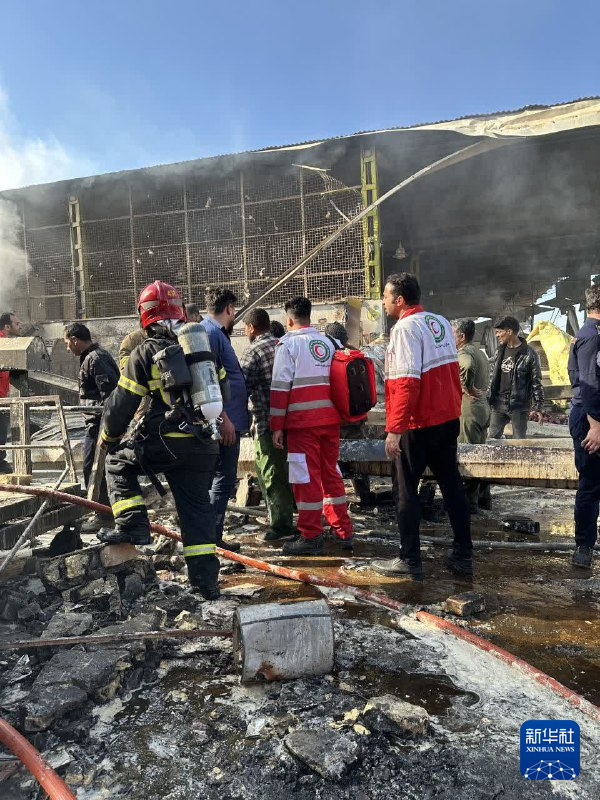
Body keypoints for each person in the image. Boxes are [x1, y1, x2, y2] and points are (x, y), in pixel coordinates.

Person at [98, 280, 221, 599]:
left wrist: (109, 436)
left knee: (117, 463)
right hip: (204, 443)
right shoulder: (200, 346)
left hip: (168, 441)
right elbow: (225, 389)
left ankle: (132, 525)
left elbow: (121, 404)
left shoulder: (144, 351)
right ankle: (206, 584)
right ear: (180, 312)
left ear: (144, 315)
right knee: (196, 512)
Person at [372, 272, 472, 578]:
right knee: (452, 485)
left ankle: (409, 559)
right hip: (446, 419)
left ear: (400, 300)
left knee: (405, 489)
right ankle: (463, 554)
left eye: (386, 296)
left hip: (418, 424)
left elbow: (406, 382)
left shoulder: (405, 329)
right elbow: (450, 372)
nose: (383, 302)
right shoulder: (439, 322)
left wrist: (395, 429)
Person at [270, 296, 353, 555]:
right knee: (331, 473)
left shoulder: (288, 345)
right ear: (310, 316)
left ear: (289, 320)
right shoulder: (330, 342)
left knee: (304, 478)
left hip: (302, 423)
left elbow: (280, 387)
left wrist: (276, 425)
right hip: (331, 421)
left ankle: (310, 535)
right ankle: (343, 531)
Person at [240, 308, 296, 541]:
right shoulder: (285, 345)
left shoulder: (253, 351)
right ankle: (296, 516)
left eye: (245, 329)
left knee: (271, 473)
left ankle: (282, 526)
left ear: (251, 328)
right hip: (293, 422)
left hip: (266, 423)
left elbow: (242, 388)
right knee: (291, 471)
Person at [201, 287, 249, 552]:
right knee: (222, 478)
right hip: (223, 423)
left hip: (226, 420)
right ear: (229, 308)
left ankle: (211, 536)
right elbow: (207, 381)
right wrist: (223, 419)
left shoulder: (214, 333)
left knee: (221, 479)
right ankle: (212, 537)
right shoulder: (210, 333)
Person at [64, 322, 119, 532]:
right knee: (93, 468)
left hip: (100, 424)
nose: (67, 348)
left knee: (94, 468)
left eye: (67, 343)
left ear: (75, 340)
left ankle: (104, 516)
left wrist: (106, 423)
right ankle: (103, 512)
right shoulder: (91, 357)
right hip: (97, 423)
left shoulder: (96, 359)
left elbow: (110, 397)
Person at [568, 285, 600, 570]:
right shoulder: (592, 336)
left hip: (591, 415)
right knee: (590, 484)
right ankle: (584, 547)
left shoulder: (585, 333)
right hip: (591, 419)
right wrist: (596, 426)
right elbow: (588, 384)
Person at [451, 318, 492, 513]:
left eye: (452, 333)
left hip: (469, 409)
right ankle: (484, 499)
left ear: (461, 337)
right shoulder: (480, 352)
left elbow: (466, 366)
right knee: (481, 454)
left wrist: (465, 386)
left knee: (469, 455)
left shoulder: (464, 353)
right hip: (482, 408)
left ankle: (470, 504)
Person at [488, 316, 544, 439]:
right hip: (498, 404)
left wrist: (538, 407)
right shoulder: (499, 351)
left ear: (509, 331)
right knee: (492, 440)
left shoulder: (529, 354)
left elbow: (536, 382)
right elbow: (492, 377)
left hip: (519, 406)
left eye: (499, 332)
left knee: (519, 443)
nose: (497, 335)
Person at [0, 312, 17, 473]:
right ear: (7, 326)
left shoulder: (6, 343)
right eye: (16, 324)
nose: (20, 327)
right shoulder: (2, 343)